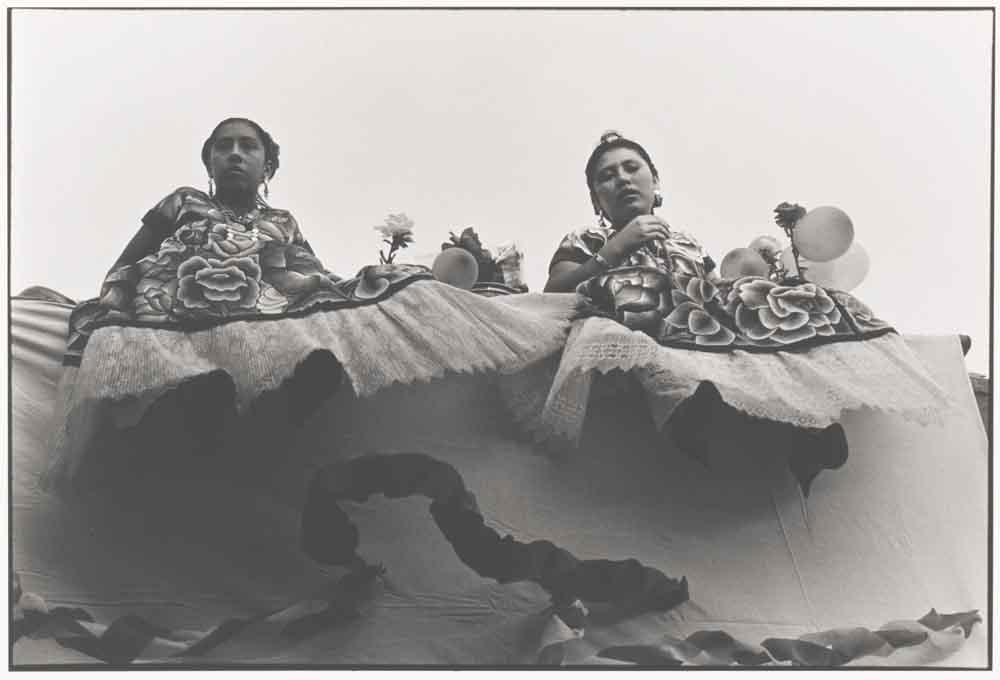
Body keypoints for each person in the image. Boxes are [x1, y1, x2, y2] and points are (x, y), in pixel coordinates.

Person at [44, 118, 576, 490]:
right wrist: (117, 302)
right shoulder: (182, 201)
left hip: (263, 310)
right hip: (174, 309)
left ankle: (265, 426)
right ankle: (196, 429)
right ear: (207, 161)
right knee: (200, 389)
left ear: (266, 164)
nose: (234, 153)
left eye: (247, 146)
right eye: (223, 145)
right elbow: (127, 260)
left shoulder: (282, 222)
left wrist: (373, 281)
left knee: (320, 355)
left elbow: (310, 275)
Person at [540, 131, 949, 494]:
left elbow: (716, 297)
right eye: (607, 176)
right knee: (646, 294)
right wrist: (614, 251)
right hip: (648, 330)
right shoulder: (587, 238)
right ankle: (702, 420)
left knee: (774, 299)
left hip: (699, 331)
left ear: (656, 181)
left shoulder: (687, 243)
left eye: (632, 167)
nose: (622, 179)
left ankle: (805, 414)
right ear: (596, 198)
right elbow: (555, 292)